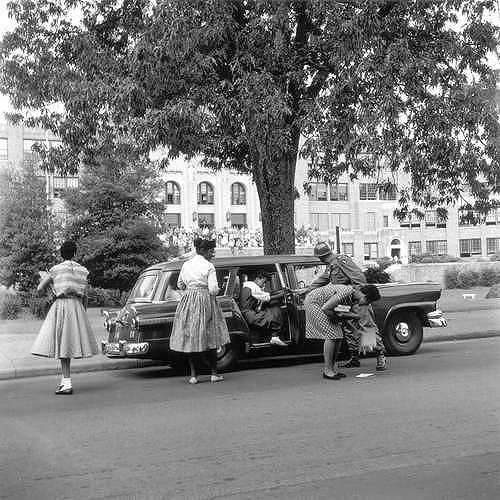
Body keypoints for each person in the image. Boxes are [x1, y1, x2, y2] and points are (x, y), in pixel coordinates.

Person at [31, 240, 99, 395]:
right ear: (75, 253)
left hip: (62, 306)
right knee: (70, 344)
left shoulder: (56, 269)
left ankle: (67, 383)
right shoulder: (83, 270)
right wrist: (83, 311)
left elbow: (39, 288)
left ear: (61, 254)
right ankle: (64, 381)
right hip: (77, 306)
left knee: (63, 345)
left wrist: (48, 283)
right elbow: (85, 295)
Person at [308, 241, 386, 370]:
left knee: (366, 327)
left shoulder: (342, 260)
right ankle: (354, 357)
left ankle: (380, 354)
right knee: (348, 327)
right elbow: (322, 280)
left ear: (321, 257)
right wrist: (308, 290)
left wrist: (360, 297)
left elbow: (359, 278)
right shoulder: (331, 265)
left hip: (358, 299)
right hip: (344, 301)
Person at [169, 237, 230, 384]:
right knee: (211, 335)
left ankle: (193, 375)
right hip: (205, 300)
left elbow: (180, 284)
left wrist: (191, 290)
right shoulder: (208, 266)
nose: (213, 254)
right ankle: (214, 373)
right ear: (203, 251)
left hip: (189, 301)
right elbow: (214, 290)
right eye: (211, 251)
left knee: (191, 336)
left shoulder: (186, 265)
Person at [305, 283, 382, 379]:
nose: (366, 305)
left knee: (339, 335)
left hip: (323, 305)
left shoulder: (352, 299)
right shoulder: (347, 292)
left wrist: (353, 325)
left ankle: (331, 369)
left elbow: (341, 314)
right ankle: (328, 371)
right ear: (365, 296)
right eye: (368, 302)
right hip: (314, 303)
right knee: (332, 335)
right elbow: (326, 309)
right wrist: (353, 316)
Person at [240, 273, 287, 346]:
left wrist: (279, 292)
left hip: (249, 313)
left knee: (271, 311)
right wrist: (281, 294)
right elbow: (265, 297)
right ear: (258, 278)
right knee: (275, 311)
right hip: (250, 315)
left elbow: (266, 293)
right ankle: (275, 337)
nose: (264, 285)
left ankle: (274, 337)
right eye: (263, 282)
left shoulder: (249, 285)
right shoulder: (252, 286)